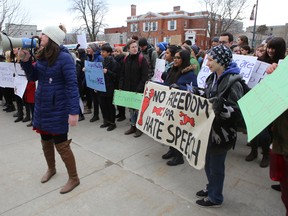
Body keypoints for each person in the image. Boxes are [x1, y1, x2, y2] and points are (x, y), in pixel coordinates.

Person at [19, 24, 80, 194]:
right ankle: (51, 169)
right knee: (45, 141)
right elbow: (33, 77)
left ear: (52, 38)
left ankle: (74, 178)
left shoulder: (64, 58)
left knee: (62, 145)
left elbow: (72, 85)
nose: (40, 36)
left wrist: (73, 111)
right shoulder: (42, 55)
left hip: (58, 108)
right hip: (43, 106)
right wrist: (25, 62)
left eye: (44, 34)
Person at [196, 45, 244, 207]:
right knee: (207, 162)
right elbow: (207, 96)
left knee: (216, 166)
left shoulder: (234, 82)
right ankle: (211, 187)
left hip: (222, 134)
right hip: (208, 129)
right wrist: (194, 93)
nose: (207, 63)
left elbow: (237, 112)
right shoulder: (212, 78)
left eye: (210, 59)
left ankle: (215, 197)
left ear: (221, 61)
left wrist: (221, 107)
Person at [245, 37, 286, 167]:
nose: (270, 50)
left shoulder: (283, 65)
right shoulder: (260, 61)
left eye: (273, 48)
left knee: (264, 132)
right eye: (269, 47)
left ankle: (266, 154)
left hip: (271, 103)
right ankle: (253, 151)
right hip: (256, 98)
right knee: (253, 129)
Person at [161, 48, 198, 166]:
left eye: (178, 58)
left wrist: (180, 88)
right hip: (170, 105)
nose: (175, 60)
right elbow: (167, 85)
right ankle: (172, 150)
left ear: (184, 60)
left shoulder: (190, 74)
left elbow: (194, 90)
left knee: (178, 132)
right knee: (169, 129)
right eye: (175, 57)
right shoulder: (173, 70)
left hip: (181, 108)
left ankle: (179, 156)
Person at [119, 39, 148, 138]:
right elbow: (122, 74)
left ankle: (140, 128)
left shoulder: (141, 59)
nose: (135, 49)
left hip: (138, 90)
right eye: (133, 47)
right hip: (128, 89)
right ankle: (133, 126)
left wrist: (139, 88)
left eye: (136, 47)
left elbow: (145, 76)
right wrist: (121, 86)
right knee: (131, 109)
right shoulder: (126, 59)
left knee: (138, 110)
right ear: (128, 49)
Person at [98, 44, 118, 131]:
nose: (101, 53)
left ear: (109, 53)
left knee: (110, 105)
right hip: (102, 86)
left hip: (110, 87)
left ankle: (112, 123)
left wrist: (108, 72)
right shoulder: (102, 61)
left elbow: (116, 75)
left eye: (103, 52)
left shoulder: (113, 62)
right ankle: (106, 121)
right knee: (103, 105)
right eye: (101, 51)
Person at [85, 43, 103, 122]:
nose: (87, 49)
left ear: (93, 49)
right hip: (92, 82)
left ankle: (106, 118)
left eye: (89, 48)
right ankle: (96, 115)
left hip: (98, 82)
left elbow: (100, 69)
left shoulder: (99, 57)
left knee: (100, 100)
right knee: (94, 100)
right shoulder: (89, 57)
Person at [113, 46, 127, 122]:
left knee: (121, 98)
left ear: (121, 52)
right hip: (116, 80)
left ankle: (122, 114)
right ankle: (119, 112)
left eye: (117, 51)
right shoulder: (115, 59)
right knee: (117, 98)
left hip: (120, 81)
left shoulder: (122, 59)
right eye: (115, 51)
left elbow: (121, 71)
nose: (115, 52)